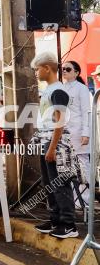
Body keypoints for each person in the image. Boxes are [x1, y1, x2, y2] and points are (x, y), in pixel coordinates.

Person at [31, 52, 78, 239]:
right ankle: (55, 219)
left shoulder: (58, 91)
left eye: (37, 69)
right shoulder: (49, 90)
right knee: (49, 183)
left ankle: (69, 225)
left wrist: (52, 147)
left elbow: (60, 122)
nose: (36, 73)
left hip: (57, 144)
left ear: (47, 68)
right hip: (47, 142)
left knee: (60, 183)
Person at [62, 60, 93, 204]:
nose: (64, 71)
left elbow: (86, 111)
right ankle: (73, 199)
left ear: (76, 72)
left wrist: (86, 133)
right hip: (65, 133)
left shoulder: (82, 88)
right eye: (62, 69)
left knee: (82, 165)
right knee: (68, 166)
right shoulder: (61, 88)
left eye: (68, 69)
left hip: (79, 131)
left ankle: (85, 200)